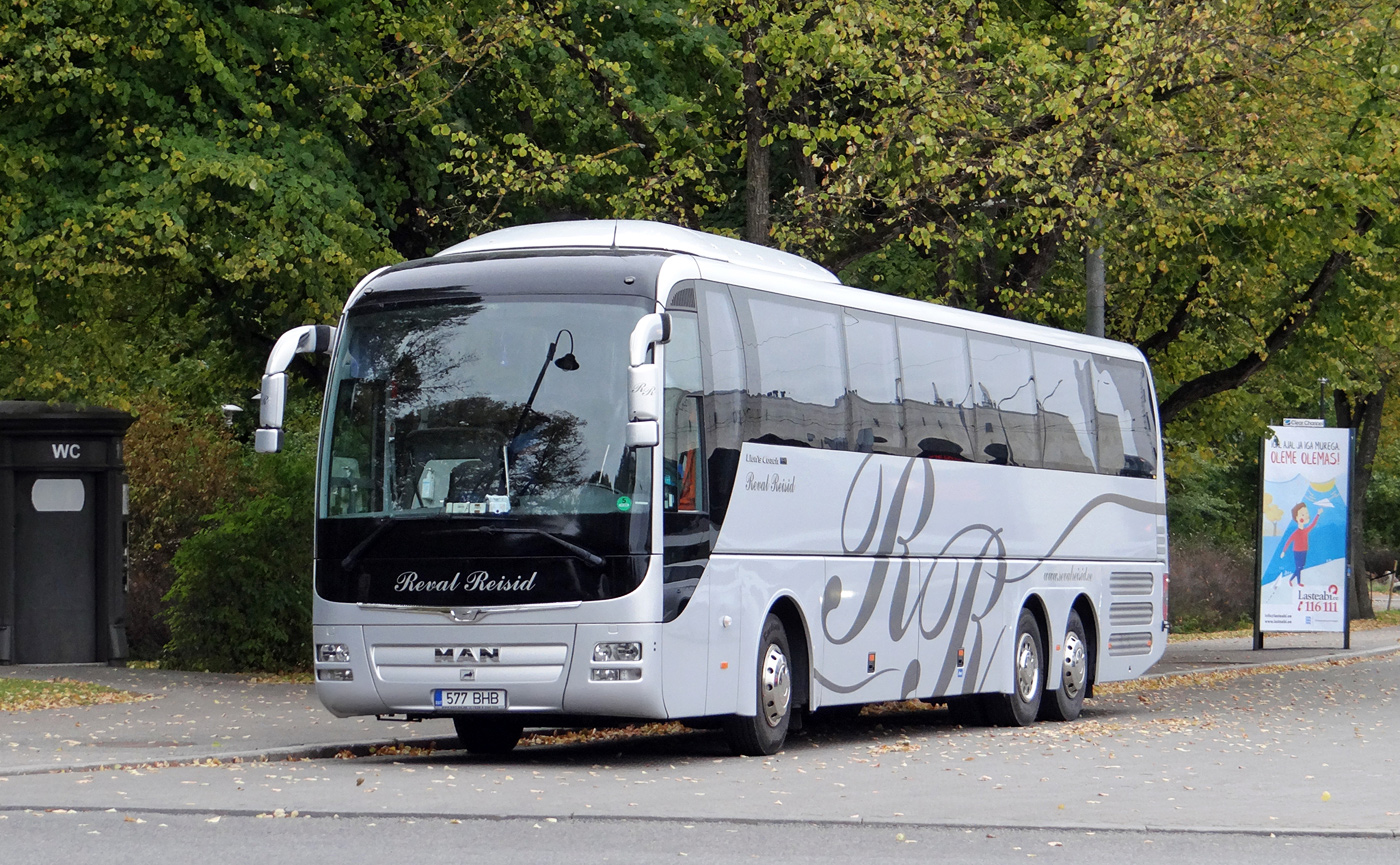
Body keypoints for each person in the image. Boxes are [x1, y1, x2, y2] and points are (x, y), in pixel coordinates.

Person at [1279, 502, 1321, 587]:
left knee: (1301, 567)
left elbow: (1313, 524)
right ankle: (1298, 582)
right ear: (1297, 518)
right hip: (1297, 551)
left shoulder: (1305, 530)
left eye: (1306, 514)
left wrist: (1318, 514)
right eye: (1302, 514)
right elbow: (1288, 541)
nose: (1305, 516)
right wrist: (1283, 551)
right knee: (1298, 567)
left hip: (1304, 550)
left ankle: (1291, 579)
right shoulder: (1295, 533)